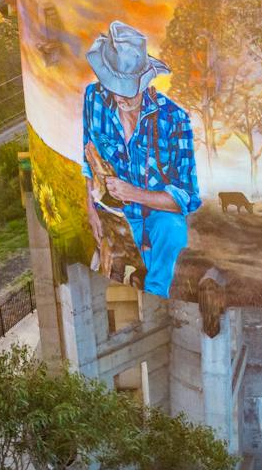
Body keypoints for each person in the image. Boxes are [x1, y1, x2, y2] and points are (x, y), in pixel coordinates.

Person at [80, 20, 200, 299]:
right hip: (112, 214)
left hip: (155, 217)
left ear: (145, 82)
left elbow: (187, 198)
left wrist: (132, 193)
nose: (120, 96)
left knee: (173, 229)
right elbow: (87, 155)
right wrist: (90, 208)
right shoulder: (93, 98)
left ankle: (155, 298)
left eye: (128, 88)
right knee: (108, 272)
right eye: (114, 86)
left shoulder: (175, 119)